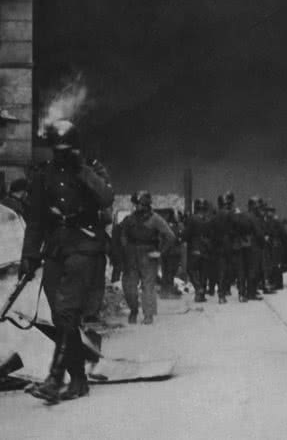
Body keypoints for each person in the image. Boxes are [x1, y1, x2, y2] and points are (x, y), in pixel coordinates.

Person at [19, 120, 113, 404]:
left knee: (67, 309)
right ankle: (78, 378)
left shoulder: (91, 170)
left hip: (85, 245)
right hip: (56, 248)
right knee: (60, 316)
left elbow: (106, 197)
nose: (61, 155)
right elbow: (35, 220)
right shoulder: (43, 175)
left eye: (66, 150)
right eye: (57, 150)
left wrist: (81, 169)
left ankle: (55, 377)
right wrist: (29, 255)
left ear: (75, 148)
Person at [119, 191, 176, 325]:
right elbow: (122, 235)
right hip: (132, 255)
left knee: (148, 286)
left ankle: (148, 315)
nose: (137, 207)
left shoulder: (155, 219)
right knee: (129, 287)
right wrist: (125, 249)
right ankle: (134, 310)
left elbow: (170, 236)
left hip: (148, 254)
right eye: (136, 204)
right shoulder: (129, 219)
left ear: (146, 205)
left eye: (139, 204)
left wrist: (161, 253)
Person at [185, 198, 214, 302]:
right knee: (203, 272)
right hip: (206, 248)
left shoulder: (192, 219)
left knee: (191, 269)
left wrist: (182, 238)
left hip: (194, 248)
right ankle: (200, 295)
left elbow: (187, 234)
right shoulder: (210, 219)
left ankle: (198, 288)